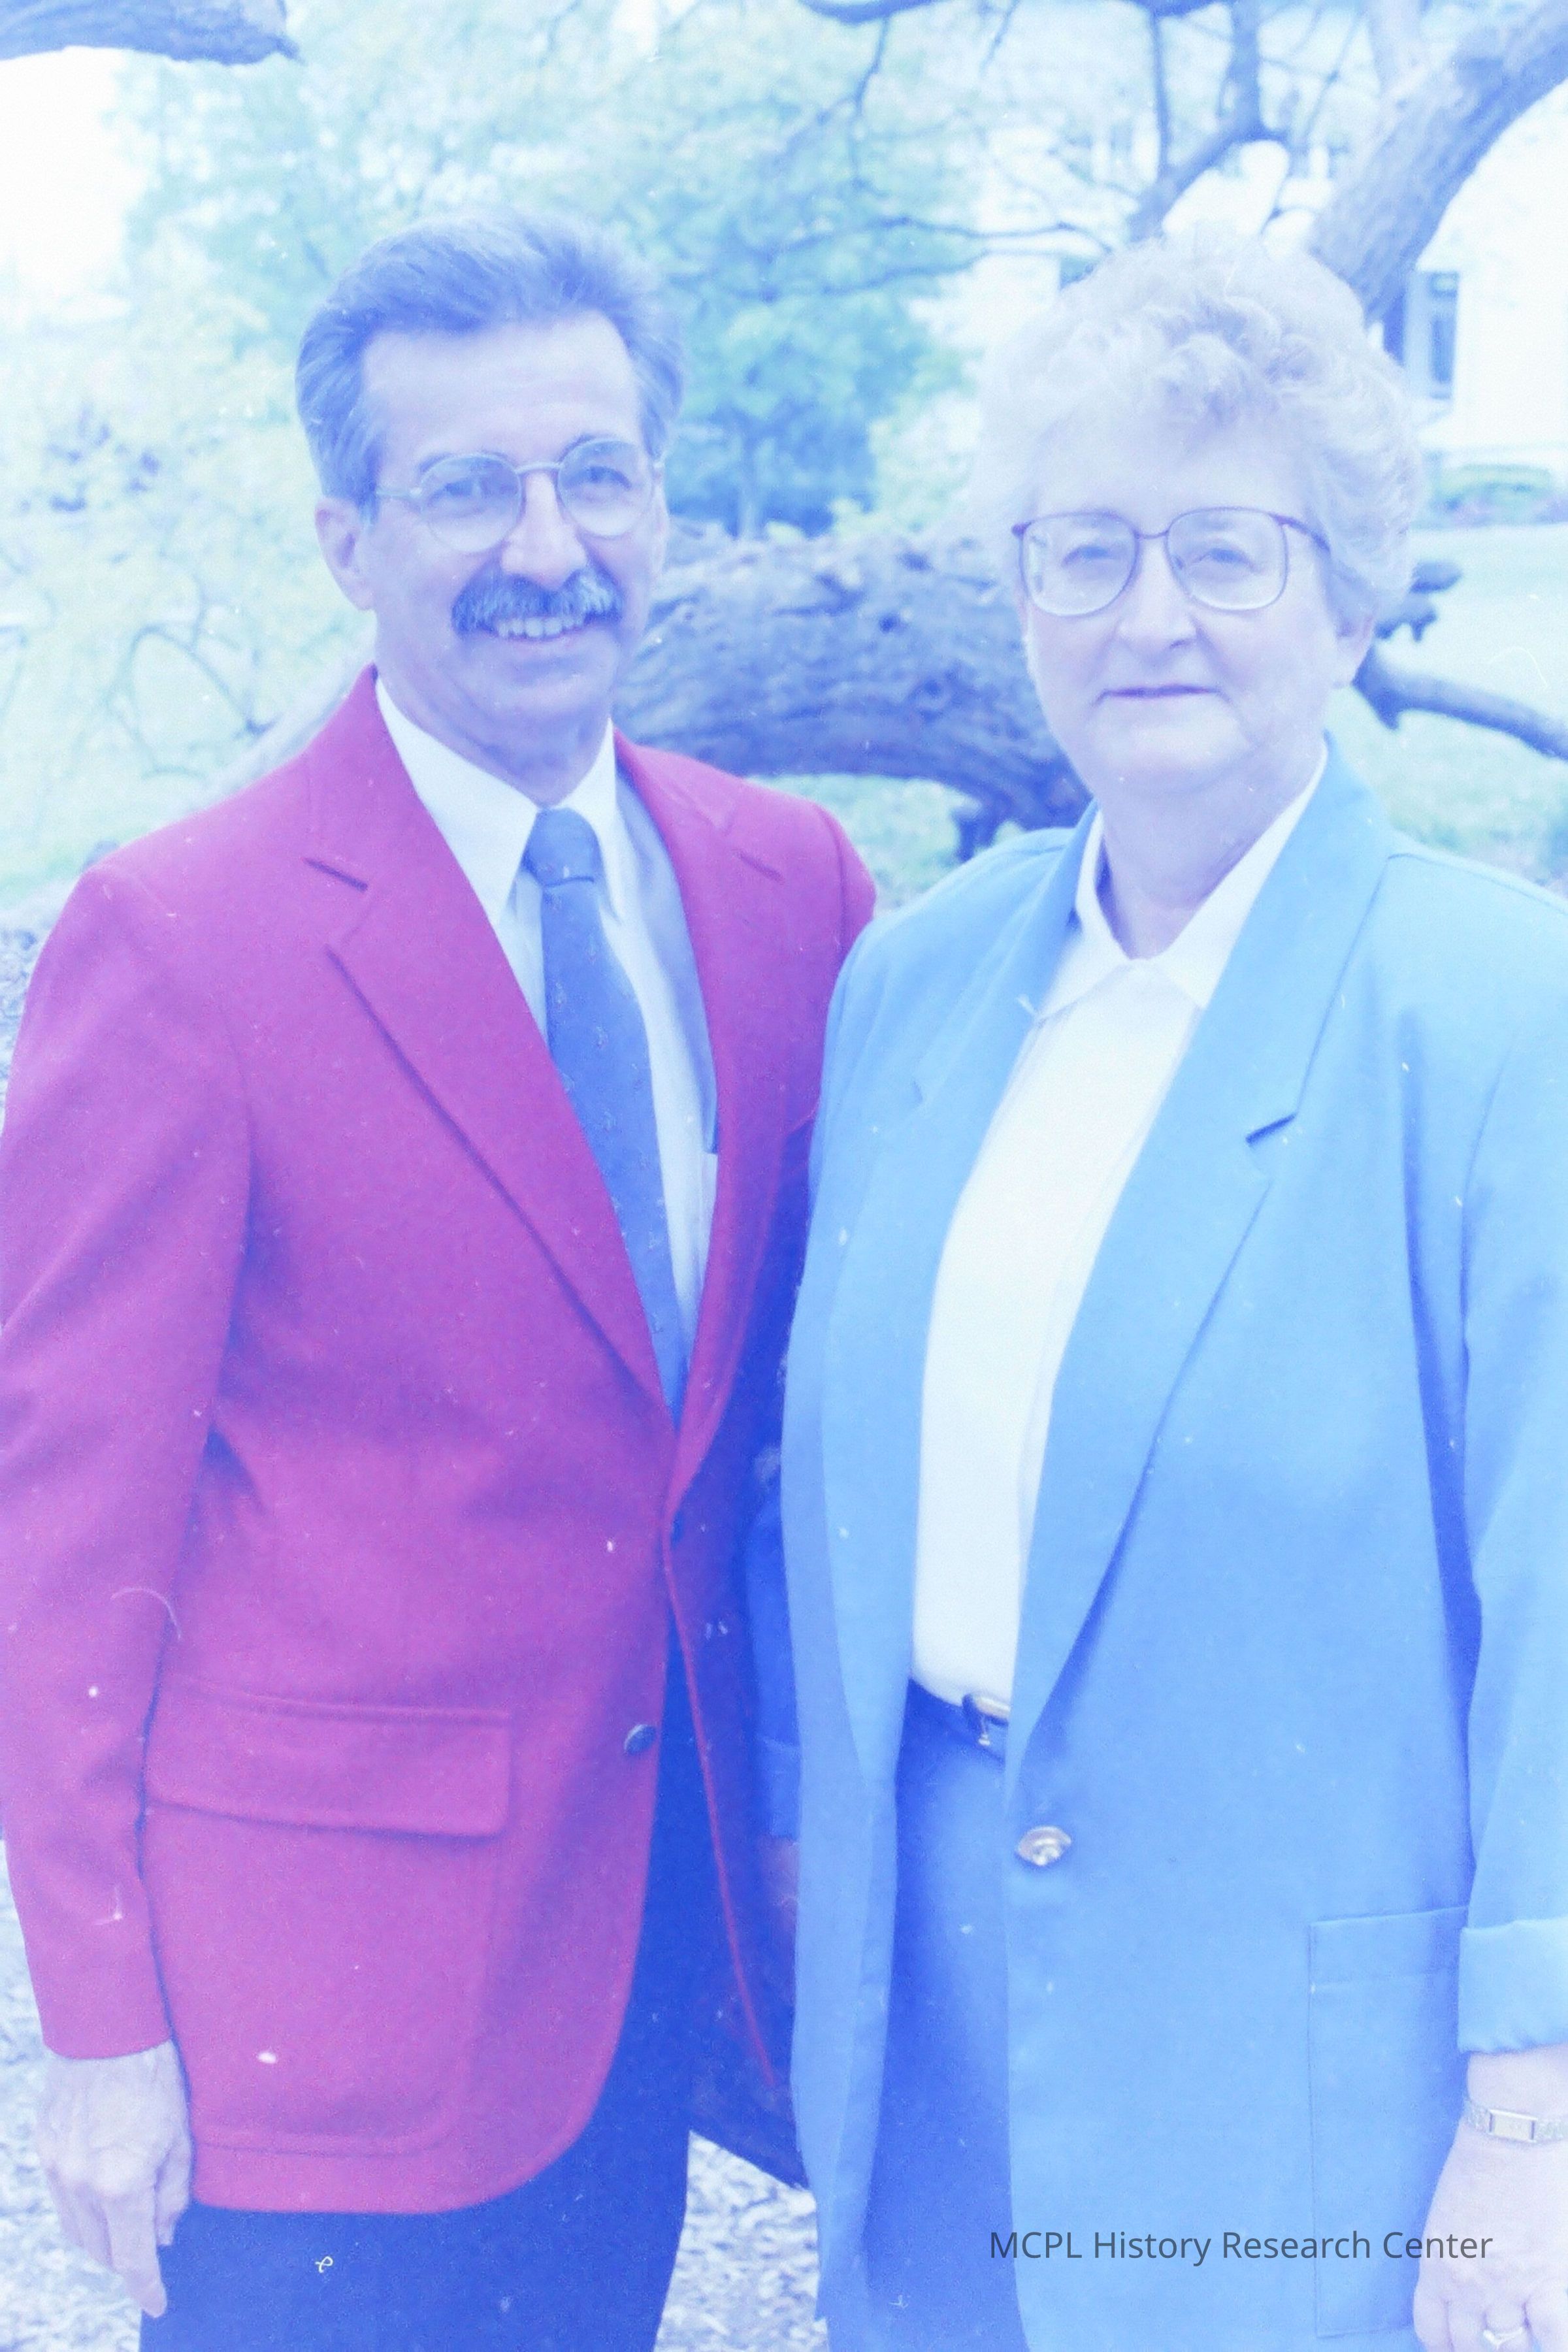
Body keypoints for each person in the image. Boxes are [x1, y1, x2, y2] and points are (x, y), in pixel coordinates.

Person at [0, 209, 874, 2352]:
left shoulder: (786, 886)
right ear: (347, 539)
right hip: (316, 2023)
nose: (544, 547)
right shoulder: (180, 942)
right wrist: (98, 2030)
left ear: (662, 505)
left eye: (597, 476)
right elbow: (64, 1539)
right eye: (467, 487)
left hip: (647, 1963)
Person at [759, 233, 1568, 2352]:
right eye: (1087, 548)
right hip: (934, 2013)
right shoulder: (917, 982)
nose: (1148, 615)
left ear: (1354, 597)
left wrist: (1534, 2120)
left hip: (1303, 2059)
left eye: (1225, 549)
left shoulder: (1504, 1017)